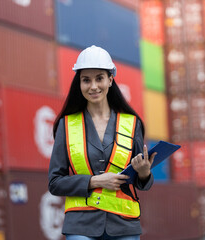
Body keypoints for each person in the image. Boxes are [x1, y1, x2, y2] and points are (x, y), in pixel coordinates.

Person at [48, 45, 156, 240]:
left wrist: (144, 173)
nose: (93, 86)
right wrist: (94, 181)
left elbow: (143, 184)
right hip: (81, 224)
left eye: (99, 78)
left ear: (110, 80)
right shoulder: (67, 125)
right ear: (79, 83)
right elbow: (55, 183)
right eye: (86, 80)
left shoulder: (132, 124)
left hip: (124, 223)